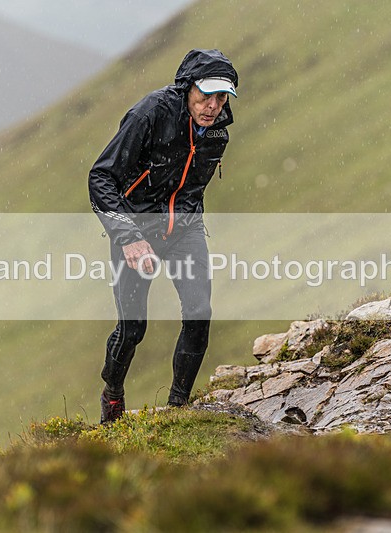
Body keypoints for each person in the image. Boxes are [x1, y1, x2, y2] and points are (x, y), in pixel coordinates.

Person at [89, 49, 239, 424]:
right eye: (205, 95)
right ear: (187, 88)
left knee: (199, 313)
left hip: (184, 231)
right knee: (133, 327)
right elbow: (100, 177)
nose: (212, 106)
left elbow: (191, 183)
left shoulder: (219, 128)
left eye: (221, 97)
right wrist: (128, 236)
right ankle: (113, 394)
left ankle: (177, 409)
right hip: (136, 230)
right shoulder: (150, 114)